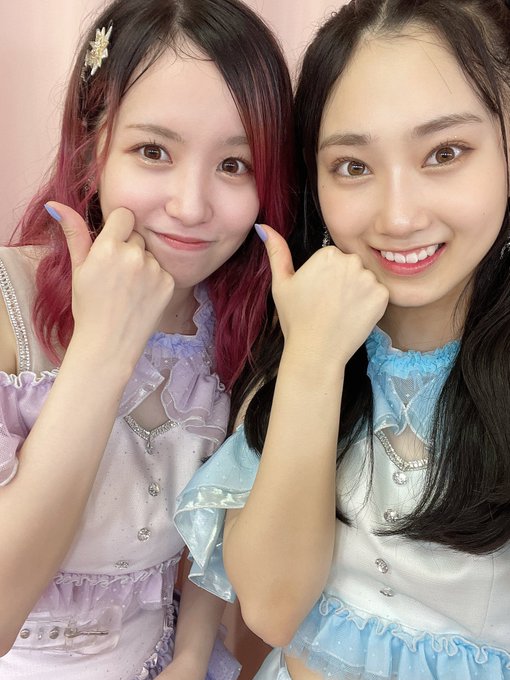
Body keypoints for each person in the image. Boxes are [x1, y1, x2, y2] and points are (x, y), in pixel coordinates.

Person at [174, 0, 510, 677]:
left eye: (445, 153)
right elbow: (272, 609)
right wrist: (314, 359)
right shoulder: (295, 343)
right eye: (353, 166)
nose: (399, 215)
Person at [0, 0, 294, 677]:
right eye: (153, 151)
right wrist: (103, 350)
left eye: (235, 164)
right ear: (91, 148)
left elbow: (211, 523)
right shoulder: (9, 304)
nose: (191, 206)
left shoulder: (238, 322)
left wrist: (190, 655)